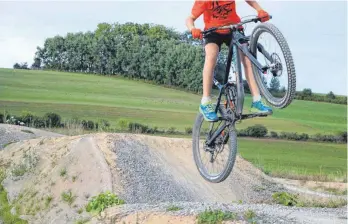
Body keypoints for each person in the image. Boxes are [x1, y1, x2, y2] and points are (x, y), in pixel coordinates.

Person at [186, 0, 273, 122]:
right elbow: (190, 18)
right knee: (211, 57)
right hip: (213, 32)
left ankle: (257, 100)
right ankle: (205, 101)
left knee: (247, 60)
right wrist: (192, 29)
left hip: (234, 28)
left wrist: (260, 10)